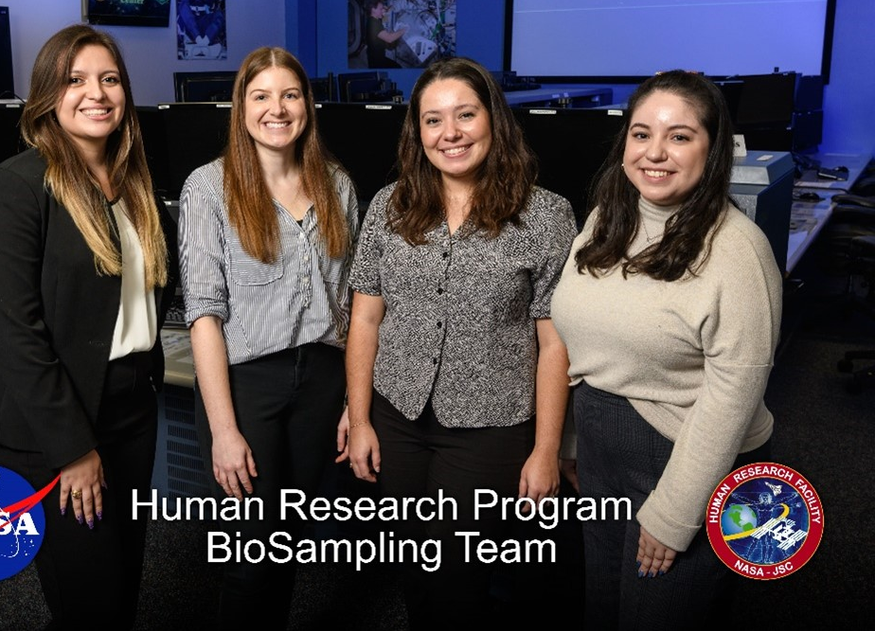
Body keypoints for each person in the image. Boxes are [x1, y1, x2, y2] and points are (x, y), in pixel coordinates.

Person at [344, 57, 577, 626]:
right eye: (432, 120)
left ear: (493, 120)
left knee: (458, 580)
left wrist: (548, 450)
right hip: (397, 417)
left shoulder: (545, 216)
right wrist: (360, 418)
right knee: (413, 566)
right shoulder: (389, 206)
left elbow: (555, 344)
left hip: (490, 428)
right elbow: (365, 320)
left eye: (465, 115)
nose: (449, 133)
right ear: (416, 132)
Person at [550, 70, 782, 629]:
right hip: (604, 450)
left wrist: (676, 514)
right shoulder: (608, 219)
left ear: (713, 147)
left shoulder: (736, 252)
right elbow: (584, 341)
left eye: (679, 136)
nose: (655, 152)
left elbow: (731, 402)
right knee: (603, 606)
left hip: (685, 459)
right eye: (640, 133)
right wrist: (575, 440)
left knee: (655, 616)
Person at [0, 24, 176, 627]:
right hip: (53, 426)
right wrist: (73, 450)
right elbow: (15, 336)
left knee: (121, 587)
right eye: (76, 80)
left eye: (110, 79)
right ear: (47, 94)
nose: (97, 93)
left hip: (131, 408)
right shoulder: (16, 186)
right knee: (89, 600)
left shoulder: (137, 189)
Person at [180, 47, 358, 627]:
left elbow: (354, 306)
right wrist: (225, 430)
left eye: (290, 95)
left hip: (322, 385)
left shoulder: (336, 185)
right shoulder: (209, 188)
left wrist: (355, 402)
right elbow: (203, 314)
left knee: (289, 544)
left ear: (308, 104)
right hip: (247, 386)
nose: (276, 109)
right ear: (241, 107)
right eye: (261, 96)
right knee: (250, 552)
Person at [365, 0, 406, 68]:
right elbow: (389, 39)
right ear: (373, 9)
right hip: (377, 62)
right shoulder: (373, 24)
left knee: (397, 66)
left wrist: (385, 11)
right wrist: (403, 30)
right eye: (381, 9)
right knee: (398, 67)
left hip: (377, 57)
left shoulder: (374, 19)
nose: (383, 10)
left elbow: (383, 17)